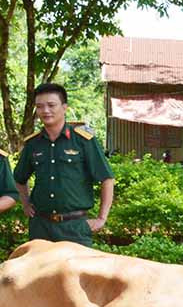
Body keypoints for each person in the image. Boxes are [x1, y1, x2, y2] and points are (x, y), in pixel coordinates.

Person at [13, 82, 115, 246]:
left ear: (64, 107)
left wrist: (102, 218)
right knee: (41, 272)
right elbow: (19, 178)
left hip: (74, 227)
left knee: (77, 272)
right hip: (41, 227)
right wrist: (26, 205)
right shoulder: (33, 143)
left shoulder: (83, 140)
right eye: (40, 106)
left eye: (51, 105)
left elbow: (106, 179)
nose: (45, 111)